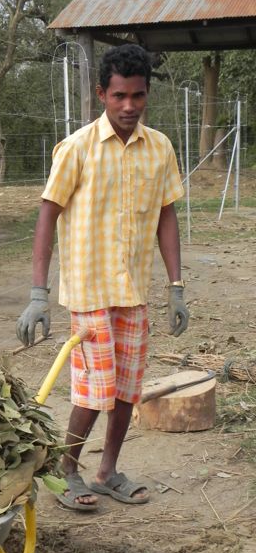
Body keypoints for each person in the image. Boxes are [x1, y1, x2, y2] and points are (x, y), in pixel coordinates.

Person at [16, 44, 189, 511]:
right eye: (119, 96)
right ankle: (67, 470)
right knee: (95, 391)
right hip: (90, 292)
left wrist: (176, 287)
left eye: (137, 96)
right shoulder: (76, 149)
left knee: (128, 389)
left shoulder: (160, 148)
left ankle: (107, 470)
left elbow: (166, 216)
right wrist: (38, 293)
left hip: (133, 291)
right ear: (101, 95)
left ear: (147, 94)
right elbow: (47, 217)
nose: (129, 106)